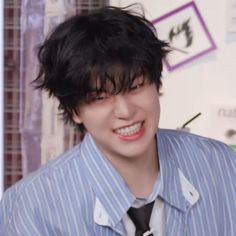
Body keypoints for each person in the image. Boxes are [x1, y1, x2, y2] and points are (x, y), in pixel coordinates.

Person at [0, 5, 236, 236]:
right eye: (100, 97)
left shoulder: (224, 166)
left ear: (156, 83)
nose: (125, 111)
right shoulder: (32, 207)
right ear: (75, 110)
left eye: (135, 86)